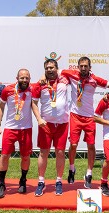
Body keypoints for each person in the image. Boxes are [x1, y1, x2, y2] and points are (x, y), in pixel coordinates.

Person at [61, 57, 108, 189]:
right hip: (75, 115)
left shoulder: (94, 79)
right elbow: (56, 71)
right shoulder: (72, 74)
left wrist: (108, 94)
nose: (83, 68)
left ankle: (89, 173)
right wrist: (43, 76)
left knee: (91, 146)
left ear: (89, 67)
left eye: (85, 66)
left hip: (89, 117)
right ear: (78, 66)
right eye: (81, 66)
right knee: (74, 145)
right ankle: (71, 169)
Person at [31, 59, 70, 196]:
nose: (49, 70)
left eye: (52, 67)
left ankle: (59, 181)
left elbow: (77, 73)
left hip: (62, 123)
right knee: (43, 152)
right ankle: (41, 181)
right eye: (47, 68)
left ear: (57, 69)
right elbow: (34, 103)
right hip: (46, 124)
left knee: (60, 152)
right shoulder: (39, 84)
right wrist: (39, 119)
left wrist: (61, 73)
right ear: (44, 69)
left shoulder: (65, 79)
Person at [0, 68, 34, 198]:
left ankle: (23, 180)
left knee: (25, 157)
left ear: (30, 79)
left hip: (26, 128)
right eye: (22, 78)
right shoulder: (7, 90)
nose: (24, 80)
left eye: (27, 78)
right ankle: (1, 183)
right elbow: (1, 107)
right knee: (5, 155)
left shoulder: (32, 89)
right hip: (10, 128)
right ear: (17, 78)